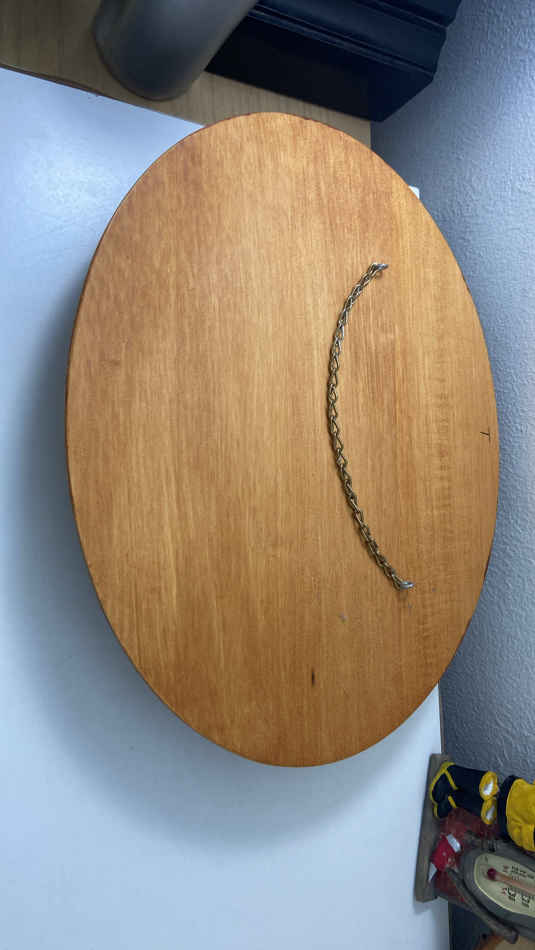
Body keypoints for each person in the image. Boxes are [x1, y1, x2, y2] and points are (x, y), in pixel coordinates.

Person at [429, 761, 535, 852]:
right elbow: (524, 836)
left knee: (486, 810)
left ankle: (454, 799)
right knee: (487, 787)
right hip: (516, 796)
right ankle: (453, 774)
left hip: (509, 818)